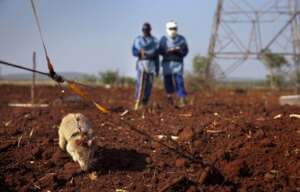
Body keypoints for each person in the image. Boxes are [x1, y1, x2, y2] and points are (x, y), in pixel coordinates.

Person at [159, 21, 189, 107]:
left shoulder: (181, 39)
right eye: (171, 29)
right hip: (167, 64)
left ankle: (182, 99)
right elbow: (160, 50)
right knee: (168, 81)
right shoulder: (163, 39)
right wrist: (167, 51)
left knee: (179, 81)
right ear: (167, 29)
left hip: (178, 63)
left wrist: (179, 51)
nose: (173, 30)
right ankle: (169, 98)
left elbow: (185, 50)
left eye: (175, 29)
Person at [132, 22, 159, 109]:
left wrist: (157, 69)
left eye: (147, 30)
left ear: (150, 30)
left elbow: (157, 56)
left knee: (148, 85)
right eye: (144, 30)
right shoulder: (138, 41)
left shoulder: (154, 41)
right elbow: (134, 51)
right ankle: (137, 101)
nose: (145, 31)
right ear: (142, 30)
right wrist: (139, 52)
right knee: (139, 84)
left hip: (151, 65)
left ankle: (144, 102)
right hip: (141, 64)